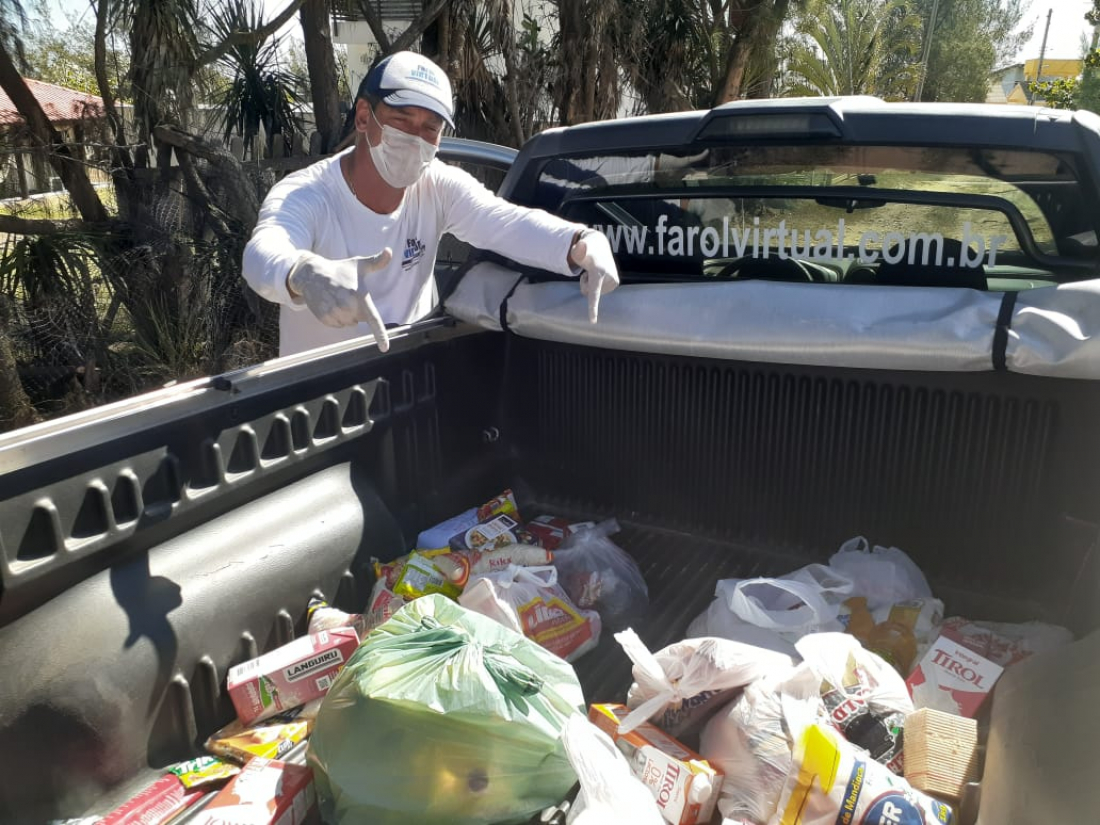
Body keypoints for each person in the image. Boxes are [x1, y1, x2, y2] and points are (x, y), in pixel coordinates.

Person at [242, 50, 620, 357]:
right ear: (363, 117)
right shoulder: (308, 193)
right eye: (401, 120)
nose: (415, 138)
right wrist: (302, 274)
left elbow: (503, 222)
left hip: (409, 387)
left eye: (430, 128)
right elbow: (263, 252)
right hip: (325, 402)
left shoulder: (437, 186)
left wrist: (581, 242)